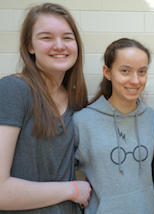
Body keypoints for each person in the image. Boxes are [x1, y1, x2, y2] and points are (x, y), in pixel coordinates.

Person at [0, 3, 92, 213]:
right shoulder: (14, 89)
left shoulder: (75, 99)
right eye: (46, 37)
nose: (59, 45)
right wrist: (72, 189)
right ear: (30, 46)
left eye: (67, 38)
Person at [73, 38, 154, 213]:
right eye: (125, 71)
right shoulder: (82, 121)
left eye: (142, 71)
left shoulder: (151, 117)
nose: (135, 80)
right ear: (107, 72)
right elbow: (61, 173)